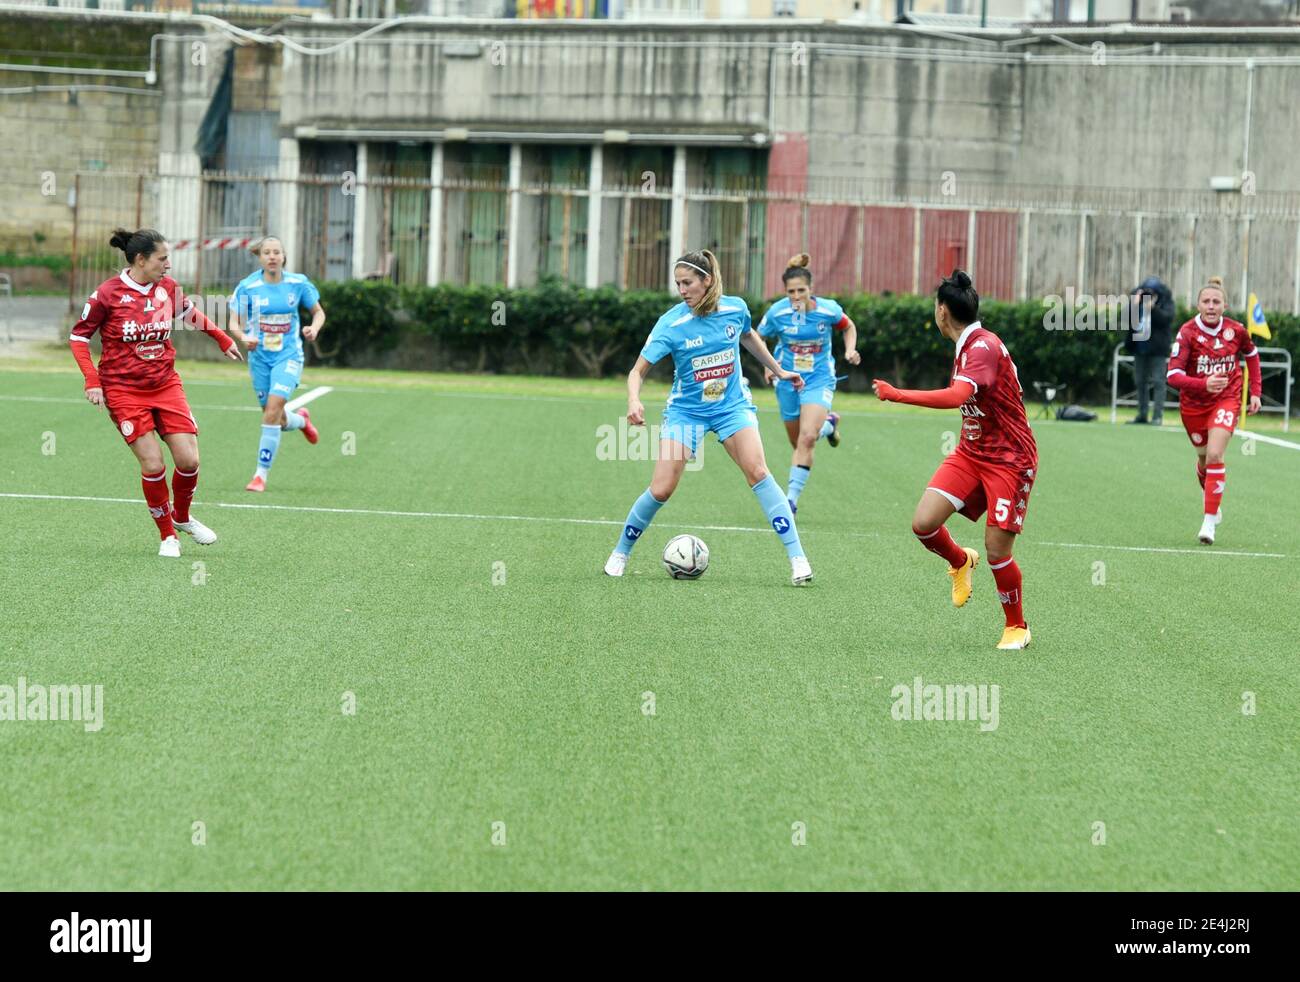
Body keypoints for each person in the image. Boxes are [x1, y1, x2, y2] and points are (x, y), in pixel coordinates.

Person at [603, 249, 815, 586]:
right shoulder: (671, 324)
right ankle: (620, 552)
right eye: (678, 284)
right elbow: (637, 371)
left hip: (732, 408)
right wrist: (633, 399)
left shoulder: (735, 309)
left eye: (687, 283)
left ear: (708, 280)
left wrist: (778, 370)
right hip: (687, 412)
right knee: (661, 489)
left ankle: (798, 558)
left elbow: (747, 335)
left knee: (759, 472)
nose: (682, 290)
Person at [871, 270, 1038, 651]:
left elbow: (956, 395)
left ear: (942, 311)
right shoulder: (966, 343)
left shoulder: (981, 347)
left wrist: (898, 394)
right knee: (924, 523)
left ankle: (1017, 626)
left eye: (935, 306)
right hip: (971, 452)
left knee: (998, 550)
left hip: (1009, 460)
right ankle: (961, 561)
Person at [69, 227, 243, 557]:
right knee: (152, 465)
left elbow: (189, 313)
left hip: (165, 384)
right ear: (140, 260)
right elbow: (79, 338)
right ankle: (168, 536)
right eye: (162, 259)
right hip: (123, 390)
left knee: (189, 459)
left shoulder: (168, 287)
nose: (168, 265)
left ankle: (181, 517)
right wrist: (92, 380)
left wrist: (222, 339)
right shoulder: (107, 294)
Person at [757, 253, 860, 514]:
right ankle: (830, 425)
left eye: (801, 290)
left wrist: (850, 350)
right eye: (791, 292)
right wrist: (770, 367)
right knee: (798, 444)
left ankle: (789, 502)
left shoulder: (828, 310)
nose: (796, 297)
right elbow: (757, 338)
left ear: (811, 289)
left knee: (807, 439)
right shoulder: (777, 313)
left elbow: (848, 327)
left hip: (818, 379)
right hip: (787, 381)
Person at [1165, 276, 1261, 545]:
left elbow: (1252, 355)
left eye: (1216, 301)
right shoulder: (1187, 333)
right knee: (1205, 461)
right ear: (1197, 305)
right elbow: (1172, 375)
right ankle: (1212, 501)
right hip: (1194, 406)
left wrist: (1255, 390)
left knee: (1216, 453)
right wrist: (1203, 384)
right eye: (1206, 301)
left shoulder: (1236, 331)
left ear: (1225, 305)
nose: (1210, 305)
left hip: (1226, 399)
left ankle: (1209, 522)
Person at [227, 236, 325, 492]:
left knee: (272, 410)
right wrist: (243, 336)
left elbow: (318, 312)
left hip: (288, 356)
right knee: (275, 417)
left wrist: (313, 329)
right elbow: (234, 322)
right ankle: (301, 421)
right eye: (267, 252)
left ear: (283, 257)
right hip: (260, 359)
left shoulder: (297, 283)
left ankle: (260, 475)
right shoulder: (247, 287)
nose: (272, 256)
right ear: (260, 257)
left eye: (277, 252)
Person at [1124, 275, 1176, 425]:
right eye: (1146, 291)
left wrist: (1153, 309)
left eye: (1152, 292)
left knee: (1159, 382)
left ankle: (1157, 416)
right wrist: (1134, 304)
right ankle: (1142, 414)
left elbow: (1167, 319)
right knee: (1140, 382)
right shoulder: (1136, 300)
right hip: (1139, 346)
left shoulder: (1165, 302)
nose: (1149, 294)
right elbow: (1125, 318)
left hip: (1157, 348)